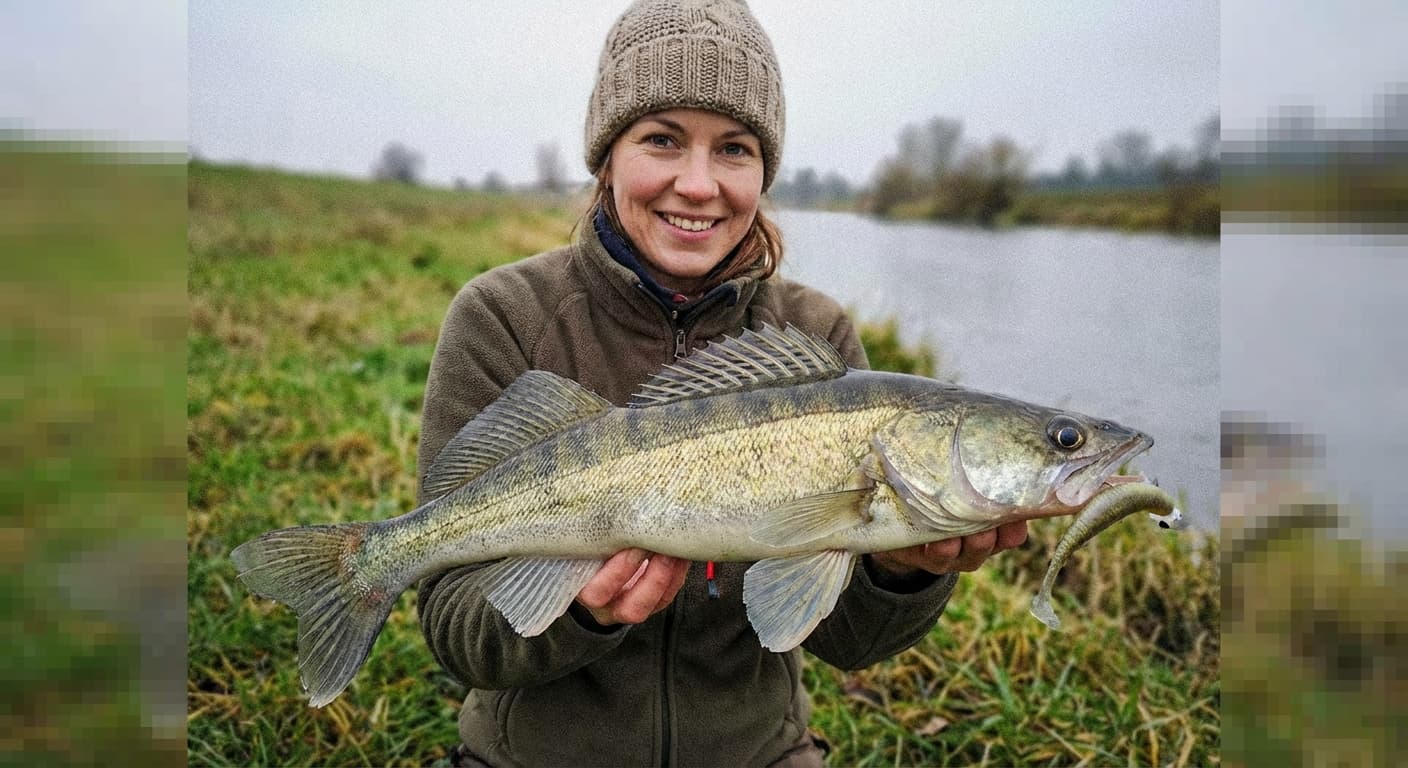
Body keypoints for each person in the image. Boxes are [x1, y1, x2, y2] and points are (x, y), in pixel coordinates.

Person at [416, 1, 1027, 765]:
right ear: (607, 157)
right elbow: (452, 626)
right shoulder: (503, 316)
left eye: (734, 148)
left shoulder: (817, 335)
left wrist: (900, 569)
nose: (698, 185)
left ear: (764, 171)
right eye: (662, 140)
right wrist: (581, 613)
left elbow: (851, 644)